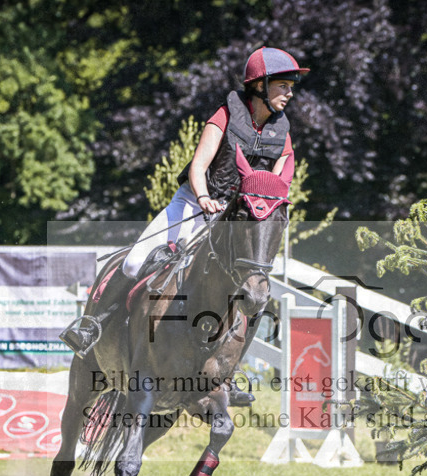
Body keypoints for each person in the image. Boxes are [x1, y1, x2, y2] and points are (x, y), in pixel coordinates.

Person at [61, 46, 308, 363]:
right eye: (283, 85)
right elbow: (198, 166)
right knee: (136, 261)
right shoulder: (226, 115)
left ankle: (228, 367)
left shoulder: (281, 132)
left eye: (291, 87)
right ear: (260, 85)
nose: (289, 93)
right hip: (195, 203)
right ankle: (93, 325)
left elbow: (275, 185)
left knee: (254, 288)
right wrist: (204, 198)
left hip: (234, 219)